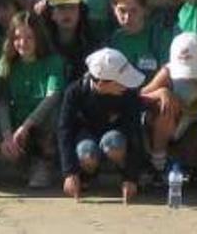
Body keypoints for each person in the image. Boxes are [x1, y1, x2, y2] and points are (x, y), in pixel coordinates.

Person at [58, 47, 145, 203]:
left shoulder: (129, 93)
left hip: (115, 137)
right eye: (120, 81)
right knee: (86, 152)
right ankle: (86, 176)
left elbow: (134, 132)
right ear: (101, 83)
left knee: (114, 142)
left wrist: (132, 177)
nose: (126, 85)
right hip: (86, 136)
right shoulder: (75, 92)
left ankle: (122, 175)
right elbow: (65, 130)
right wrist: (69, 172)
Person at [0, 12, 65, 189]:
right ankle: (25, 164)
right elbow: (1, 101)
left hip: (42, 123)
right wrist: (7, 134)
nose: (23, 43)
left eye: (29, 37)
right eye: (17, 37)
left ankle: (44, 163)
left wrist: (27, 125)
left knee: (53, 112)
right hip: (17, 124)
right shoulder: (6, 64)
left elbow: (52, 96)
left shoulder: (53, 62)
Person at [140, 32, 197, 180]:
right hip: (178, 120)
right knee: (165, 106)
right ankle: (158, 164)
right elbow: (140, 96)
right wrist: (161, 93)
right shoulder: (167, 72)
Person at [108, 0, 173, 82]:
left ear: (145, 10)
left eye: (134, 11)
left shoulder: (161, 36)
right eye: (122, 10)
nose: (127, 17)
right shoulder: (112, 41)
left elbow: (168, 74)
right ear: (114, 10)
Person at [42, 0, 96, 81]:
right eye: (61, 7)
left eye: (72, 7)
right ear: (52, 14)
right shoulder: (43, 44)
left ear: (80, 12)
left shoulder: (92, 43)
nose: (67, 13)